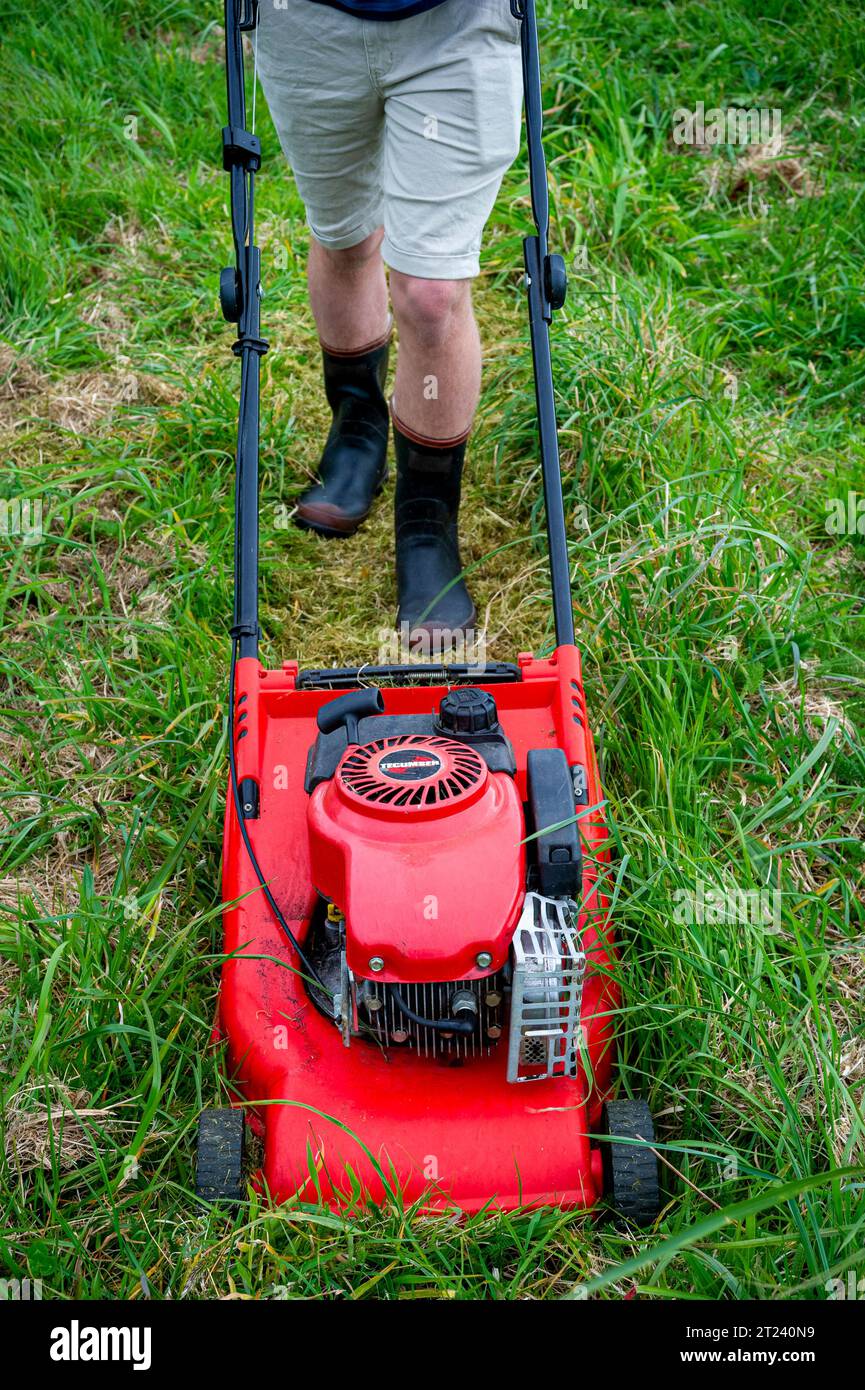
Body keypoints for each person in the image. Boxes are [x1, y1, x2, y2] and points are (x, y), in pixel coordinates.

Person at [255, 0, 524, 642]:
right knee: (346, 239)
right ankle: (358, 429)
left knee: (430, 291)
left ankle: (426, 521)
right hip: (307, 22)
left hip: (454, 23)